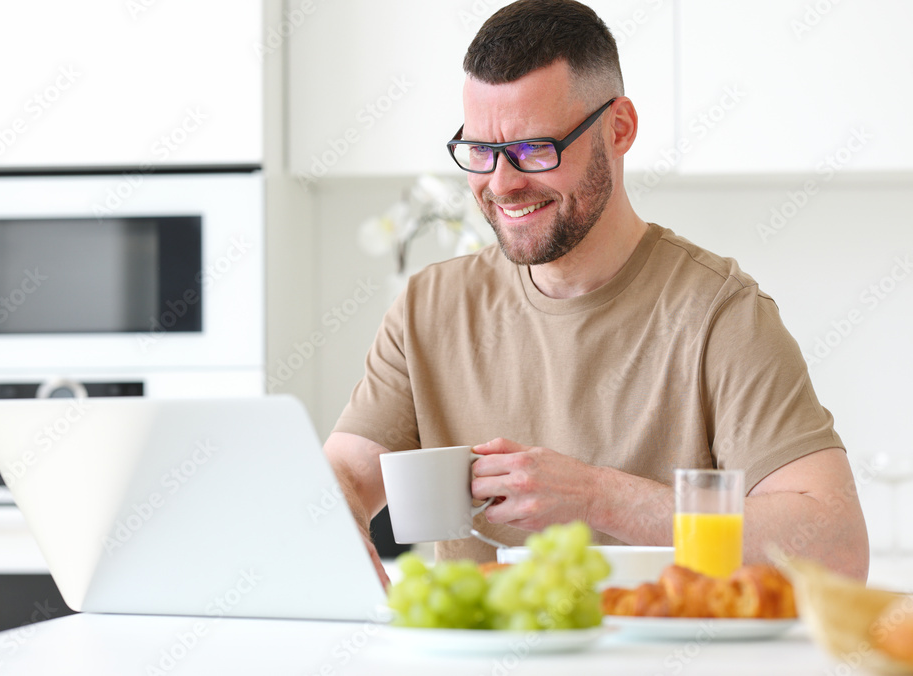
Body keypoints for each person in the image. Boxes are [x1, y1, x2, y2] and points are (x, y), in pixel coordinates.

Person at [324, 0, 869, 584]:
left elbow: (835, 548)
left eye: (535, 149)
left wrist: (597, 497)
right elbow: (340, 481)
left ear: (619, 128)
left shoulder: (721, 315)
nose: (502, 184)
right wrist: (335, 532)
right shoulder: (428, 308)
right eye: (480, 152)